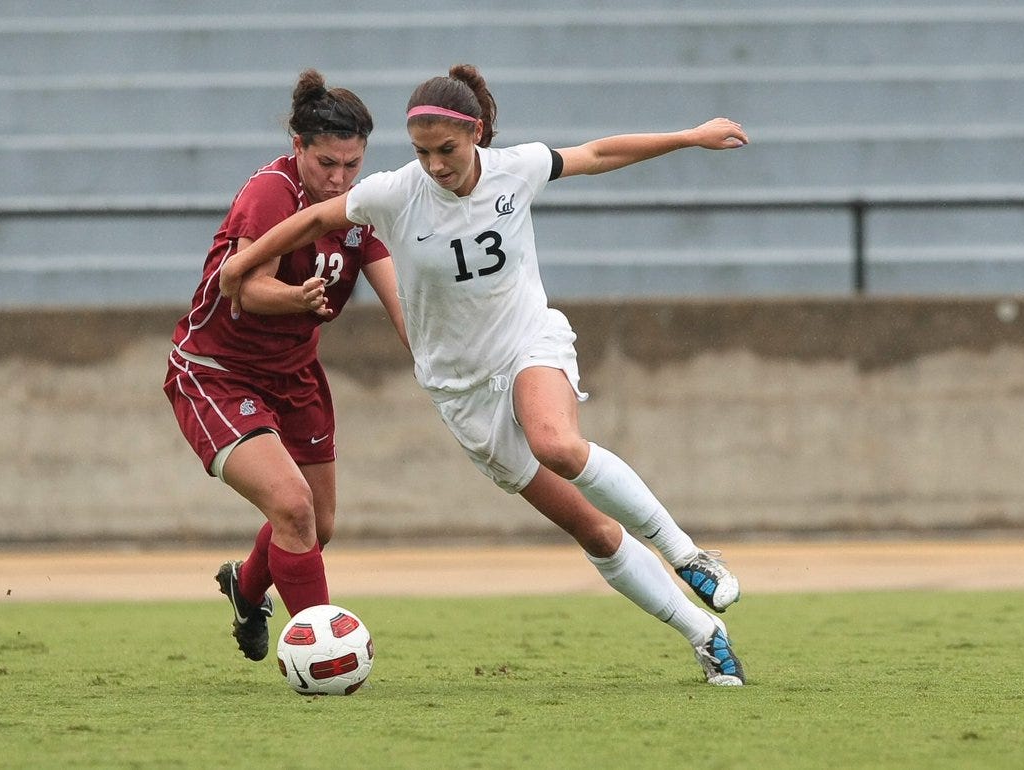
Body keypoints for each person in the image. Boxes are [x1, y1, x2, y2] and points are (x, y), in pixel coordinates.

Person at [219, 64, 748, 686]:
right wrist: (243, 267)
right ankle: (705, 635)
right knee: (595, 530)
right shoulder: (394, 193)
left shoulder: (514, 169)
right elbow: (311, 221)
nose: (435, 165)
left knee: (557, 442)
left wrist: (687, 137)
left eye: (447, 151)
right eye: (422, 152)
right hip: (463, 394)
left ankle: (687, 554)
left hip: (527, 344)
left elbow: (600, 152)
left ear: (476, 138)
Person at [163, 69, 406, 662]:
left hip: (295, 375)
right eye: (326, 162)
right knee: (292, 507)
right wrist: (297, 299)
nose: (339, 178)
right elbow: (244, 288)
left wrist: (424, 347)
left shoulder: (356, 205)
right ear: (298, 146)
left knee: (316, 525)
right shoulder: (271, 193)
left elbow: (395, 289)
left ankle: (246, 591)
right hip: (216, 373)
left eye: (352, 165)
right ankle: (323, 655)